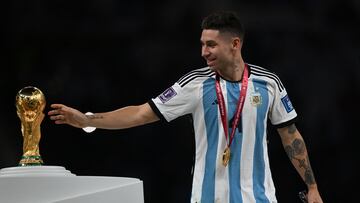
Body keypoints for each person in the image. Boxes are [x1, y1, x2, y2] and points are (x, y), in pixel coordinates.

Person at [48, 11, 323, 203]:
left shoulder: (269, 83)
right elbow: (141, 113)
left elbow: (291, 136)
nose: (204, 52)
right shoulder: (194, 84)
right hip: (207, 198)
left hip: (260, 199)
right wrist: (88, 120)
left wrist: (312, 187)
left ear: (235, 44)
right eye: (202, 44)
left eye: (211, 45)